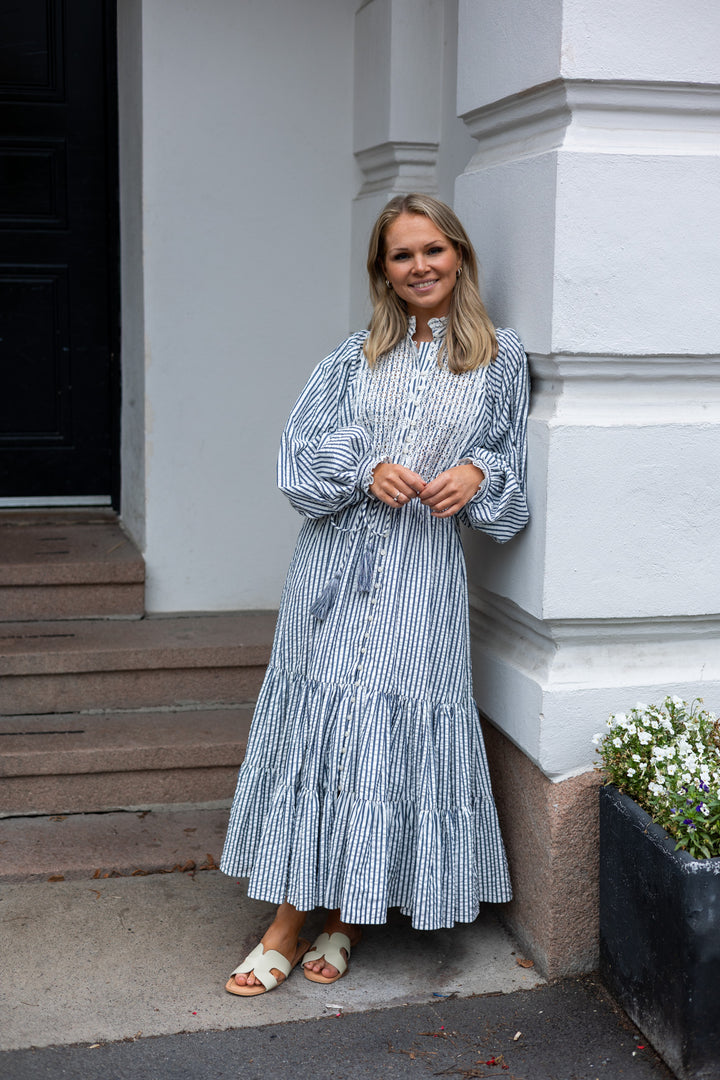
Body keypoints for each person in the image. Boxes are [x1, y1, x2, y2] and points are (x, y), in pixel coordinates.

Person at [220, 193, 529, 995]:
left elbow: (510, 473)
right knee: (321, 732)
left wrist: (479, 472)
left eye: (432, 250)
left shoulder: (499, 360)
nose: (420, 266)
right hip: (330, 577)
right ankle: (288, 919)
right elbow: (295, 464)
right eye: (402, 255)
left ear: (458, 255)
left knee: (386, 736)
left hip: (422, 582)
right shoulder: (348, 359)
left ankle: (349, 916)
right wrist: (362, 470)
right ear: (382, 273)